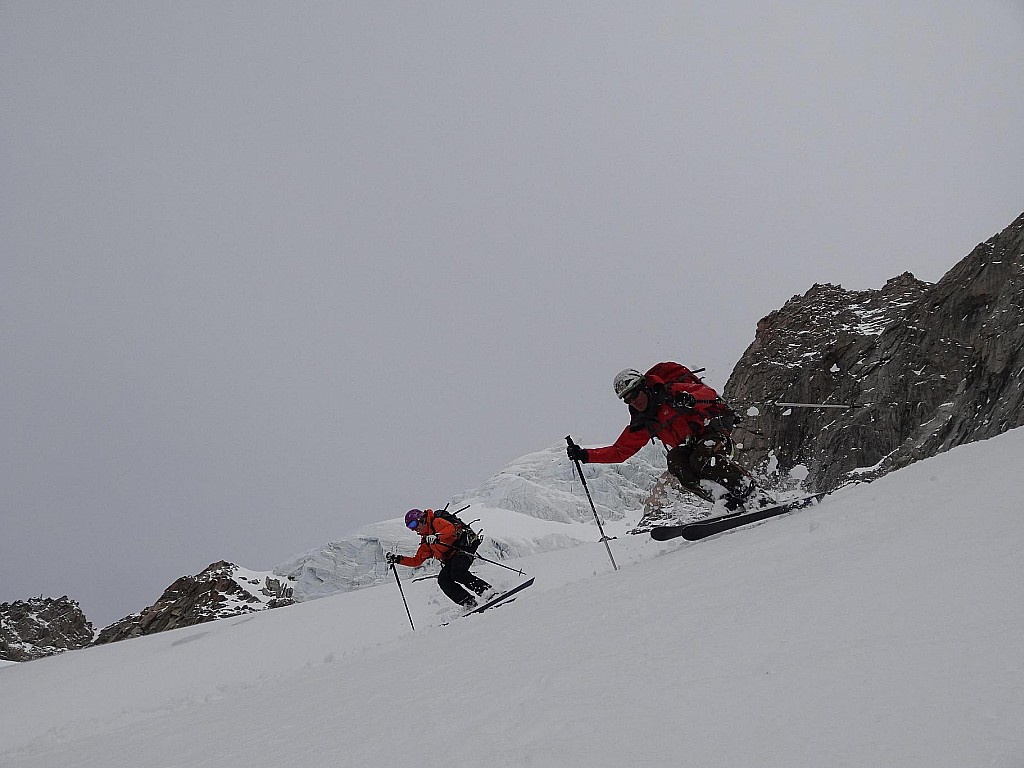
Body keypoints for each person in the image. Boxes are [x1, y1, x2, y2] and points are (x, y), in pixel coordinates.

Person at [567, 363, 769, 511]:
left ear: (643, 387)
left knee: (702, 458)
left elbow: (708, 393)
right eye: (627, 399)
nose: (633, 401)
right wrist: (585, 455)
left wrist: (690, 398)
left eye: (634, 394)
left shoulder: (671, 392)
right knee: (677, 463)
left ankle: (752, 494)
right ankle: (726, 502)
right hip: (689, 446)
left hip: (714, 434)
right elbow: (620, 451)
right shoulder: (644, 421)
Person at [386, 509, 492, 608]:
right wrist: (398, 559)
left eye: (413, 524)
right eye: (410, 527)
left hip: (464, 547)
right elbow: (416, 561)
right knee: (443, 580)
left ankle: (487, 591)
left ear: (421, 519)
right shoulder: (426, 542)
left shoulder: (436, 522)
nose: (414, 529)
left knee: (458, 573)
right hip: (452, 556)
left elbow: (451, 528)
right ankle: (468, 602)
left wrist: (437, 536)